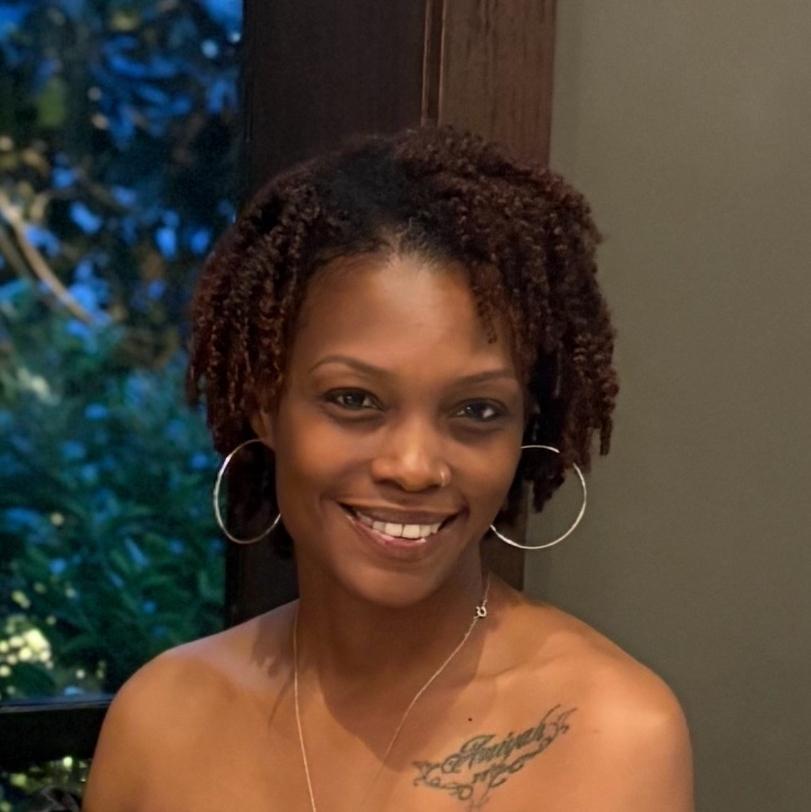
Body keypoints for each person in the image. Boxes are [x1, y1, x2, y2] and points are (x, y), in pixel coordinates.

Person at [82, 126, 693, 811]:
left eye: (477, 410)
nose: (413, 466)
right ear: (264, 403)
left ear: (527, 428)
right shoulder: (160, 721)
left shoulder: (614, 734)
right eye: (354, 400)